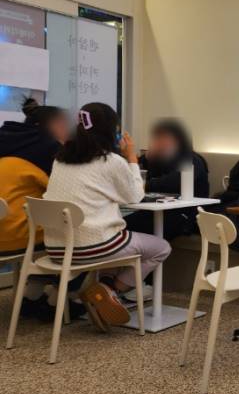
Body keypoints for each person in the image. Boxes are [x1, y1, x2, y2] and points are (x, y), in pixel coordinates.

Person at [44, 103, 171, 327]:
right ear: (111, 130)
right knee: (161, 248)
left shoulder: (60, 159)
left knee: (117, 237)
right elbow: (135, 196)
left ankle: (102, 291)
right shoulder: (111, 161)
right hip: (94, 247)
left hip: (56, 248)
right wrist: (132, 158)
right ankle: (109, 289)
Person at [0, 98, 72, 320]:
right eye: (64, 125)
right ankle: (62, 300)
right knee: (77, 234)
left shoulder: (5, 138)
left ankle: (31, 294)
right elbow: (66, 191)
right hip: (17, 235)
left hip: (3, 227)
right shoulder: (48, 148)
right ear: (51, 126)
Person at [125, 118, 209, 240]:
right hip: (158, 210)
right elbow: (135, 175)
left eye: (163, 137)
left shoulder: (192, 159)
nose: (158, 141)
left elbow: (172, 183)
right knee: (122, 224)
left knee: (131, 227)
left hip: (185, 214)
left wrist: (143, 185)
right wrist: (148, 160)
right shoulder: (157, 158)